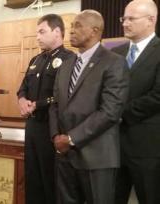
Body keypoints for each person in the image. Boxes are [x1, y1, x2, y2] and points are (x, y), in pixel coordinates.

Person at [49, 10, 129, 204]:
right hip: (65, 155)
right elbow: (55, 104)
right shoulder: (67, 64)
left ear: (94, 30)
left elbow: (110, 111)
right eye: (72, 26)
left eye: (78, 26)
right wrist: (55, 137)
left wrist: (71, 138)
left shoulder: (114, 62)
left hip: (97, 157)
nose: (72, 31)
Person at [17, 14, 74, 204]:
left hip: (51, 129)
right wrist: (22, 99)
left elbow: (64, 96)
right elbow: (23, 87)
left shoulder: (69, 59)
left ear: (57, 32)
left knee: (50, 180)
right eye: (37, 33)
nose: (38, 37)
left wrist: (37, 105)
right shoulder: (36, 59)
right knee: (32, 179)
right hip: (32, 127)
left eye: (42, 32)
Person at [112, 0, 160, 203]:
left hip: (147, 148)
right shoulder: (115, 54)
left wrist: (118, 113)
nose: (125, 23)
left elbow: (157, 95)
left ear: (151, 20)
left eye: (131, 18)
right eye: (124, 18)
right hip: (113, 147)